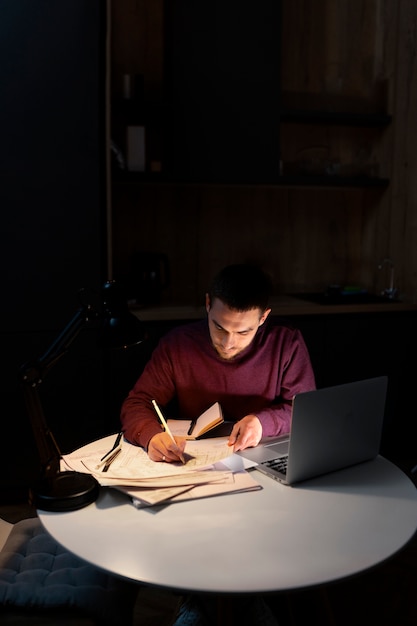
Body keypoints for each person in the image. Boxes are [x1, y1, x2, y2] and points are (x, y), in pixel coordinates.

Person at [120, 263, 316, 463]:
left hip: (264, 456)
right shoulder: (178, 345)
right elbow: (137, 403)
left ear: (263, 318)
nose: (228, 343)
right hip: (193, 460)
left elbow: (306, 409)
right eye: (219, 327)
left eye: (243, 332)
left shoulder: (286, 342)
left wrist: (262, 422)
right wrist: (151, 436)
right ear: (207, 304)